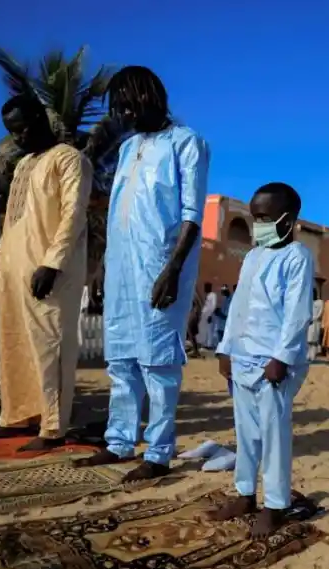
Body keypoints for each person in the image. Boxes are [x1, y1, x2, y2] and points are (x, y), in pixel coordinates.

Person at [74, 66, 210, 480]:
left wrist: (172, 270)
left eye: (130, 105)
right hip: (119, 268)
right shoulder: (128, 146)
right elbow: (117, 216)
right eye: (120, 109)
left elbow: (191, 215)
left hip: (160, 267)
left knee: (157, 361)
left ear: (151, 98)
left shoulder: (186, 143)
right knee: (121, 359)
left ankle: (159, 452)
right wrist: (101, 269)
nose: (125, 115)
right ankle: (119, 442)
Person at [0, 94, 90, 450]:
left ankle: (52, 427)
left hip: (50, 271)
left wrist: (52, 263)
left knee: (49, 346)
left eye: (24, 127)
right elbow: (11, 220)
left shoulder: (70, 159)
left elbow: (73, 215)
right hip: (13, 268)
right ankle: (16, 416)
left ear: (41, 119)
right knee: (12, 345)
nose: (20, 136)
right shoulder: (24, 164)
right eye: (13, 131)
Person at [207, 182, 313, 538]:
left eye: (266, 217)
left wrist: (281, 358)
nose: (259, 224)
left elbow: (297, 314)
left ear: (289, 219)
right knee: (246, 434)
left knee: (273, 435)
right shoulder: (253, 256)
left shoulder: (297, 256)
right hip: (242, 358)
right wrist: (225, 347)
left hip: (274, 364)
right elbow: (237, 307)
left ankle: (277, 504)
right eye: (255, 217)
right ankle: (244, 494)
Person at [198, 282, 217, 349]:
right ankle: (204, 343)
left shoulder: (213, 295)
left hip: (209, 315)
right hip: (204, 315)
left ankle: (209, 345)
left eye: (206, 287)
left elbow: (213, 305)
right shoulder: (207, 294)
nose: (205, 289)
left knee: (209, 329)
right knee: (203, 329)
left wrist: (210, 315)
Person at [307, 289, 323, 361]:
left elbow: (320, 312)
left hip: (316, 323)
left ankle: (313, 356)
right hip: (308, 323)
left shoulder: (320, 302)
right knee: (308, 340)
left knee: (314, 341)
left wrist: (314, 318)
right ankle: (308, 356)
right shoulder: (308, 302)